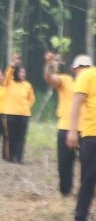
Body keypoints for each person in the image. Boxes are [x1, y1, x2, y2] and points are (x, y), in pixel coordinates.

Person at [46, 52, 91, 196]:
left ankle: (85, 193)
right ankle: (66, 193)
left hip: (88, 130)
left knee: (88, 165)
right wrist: (50, 66)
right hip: (66, 128)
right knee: (65, 164)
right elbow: (50, 79)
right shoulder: (66, 80)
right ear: (74, 69)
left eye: (87, 67)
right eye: (81, 66)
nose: (84, 69)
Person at [67, 65, 96, 221]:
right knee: (88, 179)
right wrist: (72, 131)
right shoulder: (88, 75)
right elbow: (76, 103)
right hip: (92, 135)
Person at [3, 55, 35, 164]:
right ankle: (12, 157)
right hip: (11, 114)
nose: (23, 74)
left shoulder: (27, 85)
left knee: (21, 138)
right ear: (16, 73)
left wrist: (26, 106)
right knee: (12, 137)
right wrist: (13, 64)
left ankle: (19, 158)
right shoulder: (9, 83)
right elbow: (7, 75)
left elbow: (31, 99)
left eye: (24, 72)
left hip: (24, 115)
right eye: (21, 72)